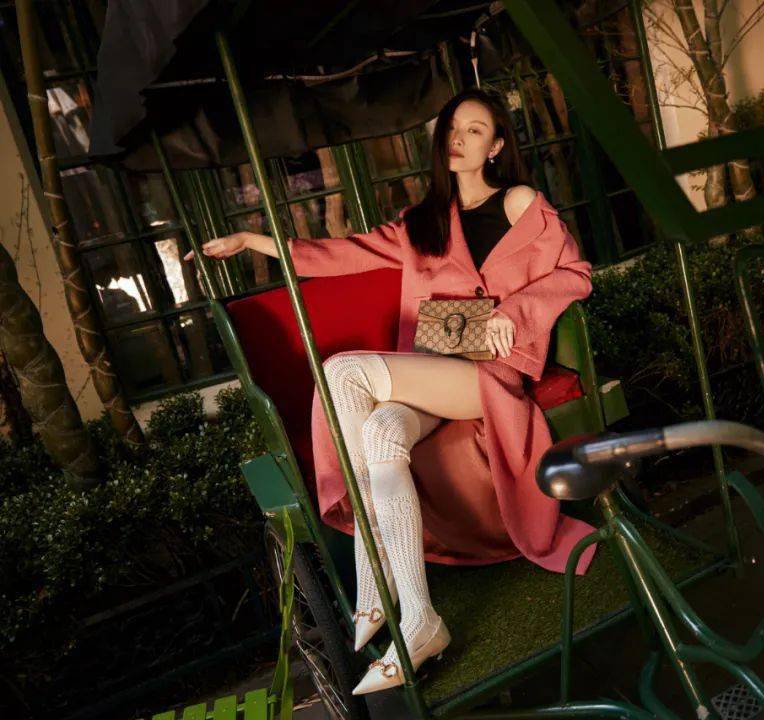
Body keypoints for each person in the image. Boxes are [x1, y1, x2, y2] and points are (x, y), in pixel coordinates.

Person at [185, 88, 599, 694]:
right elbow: (339, 254)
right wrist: (255, 242)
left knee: (342, 373)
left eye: (475, 130)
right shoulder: (421, 222)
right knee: (381, 430)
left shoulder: (518, 201)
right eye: (452, 127)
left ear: (496, 146)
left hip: (488, 373)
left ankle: (372, 577)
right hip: (431, 366)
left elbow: (574, 273)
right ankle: (422, 619)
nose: (459, 138)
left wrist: (516, 309)